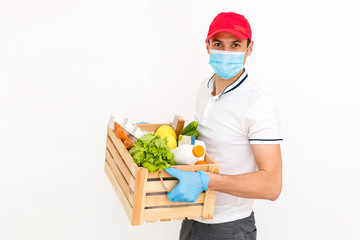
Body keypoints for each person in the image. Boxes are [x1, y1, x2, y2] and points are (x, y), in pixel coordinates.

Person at [165, 12, 283, 240]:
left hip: (229, 228)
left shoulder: (259, 105)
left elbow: (272, 185)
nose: (226, 53)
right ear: (207, 46)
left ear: (249, 49)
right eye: (218, 44)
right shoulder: (204, 88)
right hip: (192, 218)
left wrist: (206, 181)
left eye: (235, 45)